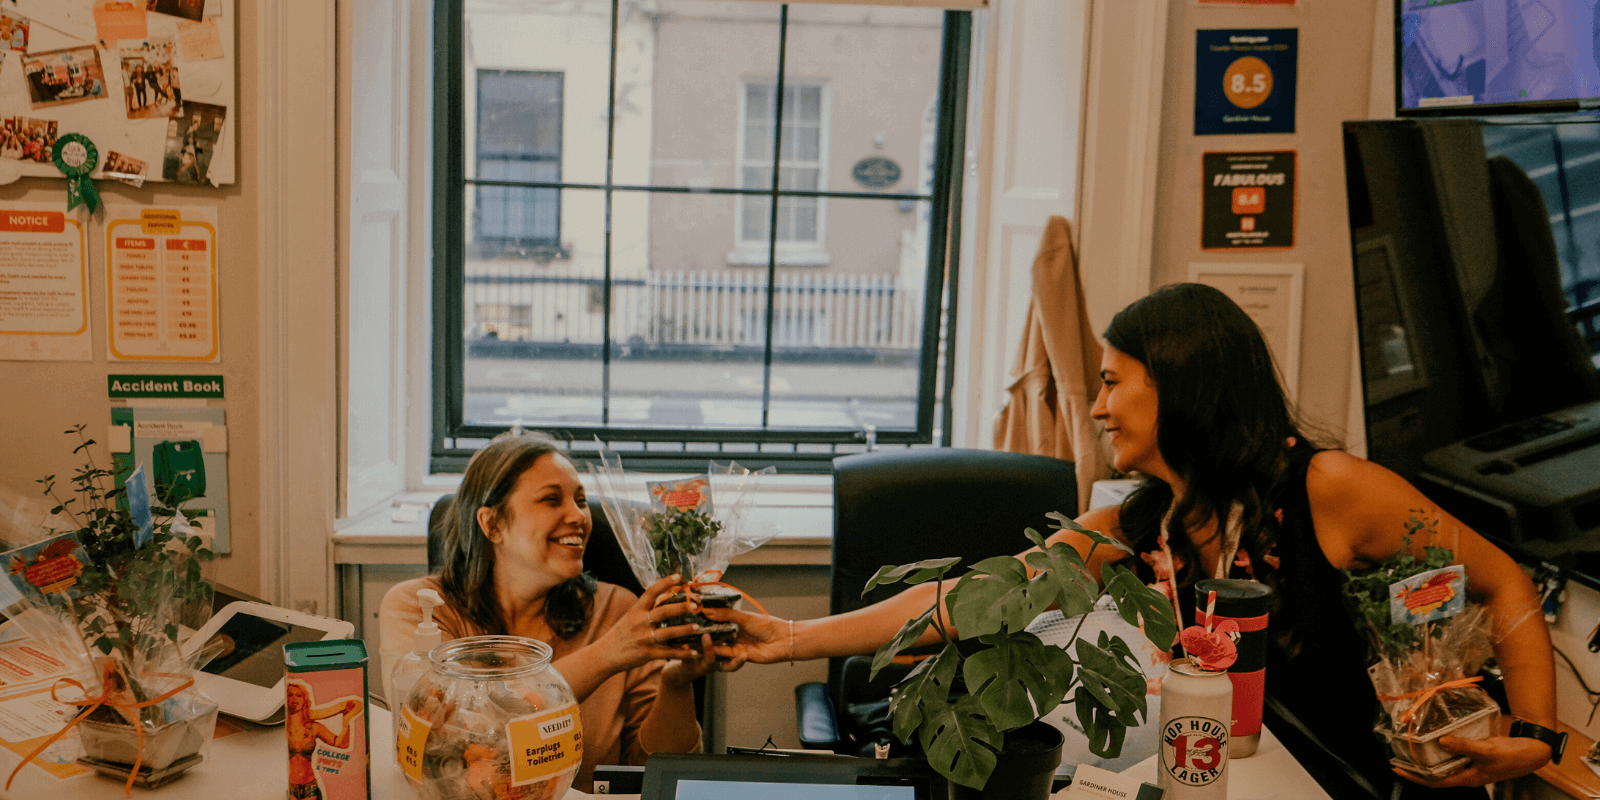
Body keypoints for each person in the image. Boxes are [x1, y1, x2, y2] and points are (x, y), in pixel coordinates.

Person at [705, 283, 1558, 799]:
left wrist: (1537, 736)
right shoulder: (1138, 520)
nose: (1100, 405)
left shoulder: (1329, 488)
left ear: (1179, 388)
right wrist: (785, 638)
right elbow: (971, 601)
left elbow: (1506, 582)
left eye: (1114, 382)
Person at [380, 433, 722, 793]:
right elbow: (450, 742)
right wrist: (610, 653)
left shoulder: (619, 610)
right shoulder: (419, 608)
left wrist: (677, 684)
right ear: (492, 525)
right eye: (551, 500)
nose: (579, 517)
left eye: (581, 501)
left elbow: (652, 773)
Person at [286, 681, 364, 800]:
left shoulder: (314, 727)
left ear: (304, 699)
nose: (294, 699)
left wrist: (346, 718)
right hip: (292, 787)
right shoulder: (286, 725)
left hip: (309, 787)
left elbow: (342, 744)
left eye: (298, 695)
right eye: (290, 695)